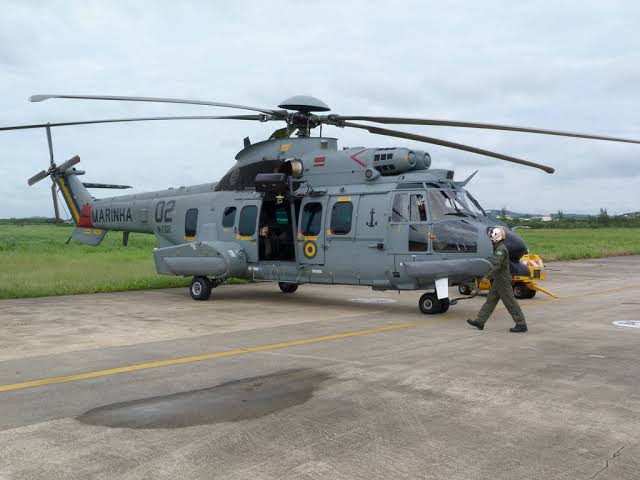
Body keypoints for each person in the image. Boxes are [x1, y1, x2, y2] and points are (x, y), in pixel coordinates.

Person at [467, 227, 528, 332]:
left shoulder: (500, 250)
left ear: (495, 237)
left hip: (503, 281)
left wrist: (487, 277)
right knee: (490, 301)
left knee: (511, 303)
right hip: (498, 280)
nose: (490, 238)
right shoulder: (499, 247)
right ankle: (480, 321)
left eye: (491, 236)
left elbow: (497, 267)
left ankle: (521, 324)